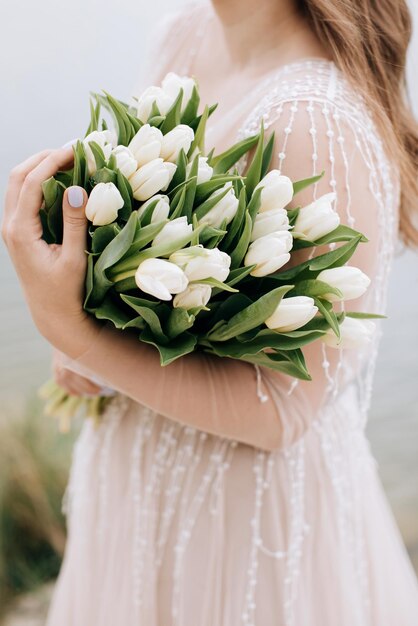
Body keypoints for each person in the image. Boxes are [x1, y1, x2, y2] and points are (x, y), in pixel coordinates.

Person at [3, 0, 418, 623]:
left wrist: (74, 333)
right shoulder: (184, 33)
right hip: (138, 477)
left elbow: (282, 411)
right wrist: (95, 334)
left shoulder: (316, 120)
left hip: (240, 523)